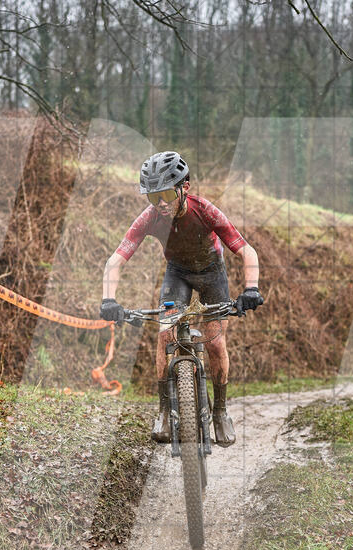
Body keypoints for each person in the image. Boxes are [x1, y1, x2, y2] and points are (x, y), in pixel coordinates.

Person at [100, 151, 263, 447]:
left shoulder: (206, 211)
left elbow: (246, 250)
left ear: (184, 187)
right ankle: (164, 410)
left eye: (165, 194)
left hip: (213, 272)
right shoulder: (149, 218)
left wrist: (251, 289)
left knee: (215, 342)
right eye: (153, 197)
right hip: (178, 274)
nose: (160, 204)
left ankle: (220, 412)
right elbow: (116, 260)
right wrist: (108, 299)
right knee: (165, 337)